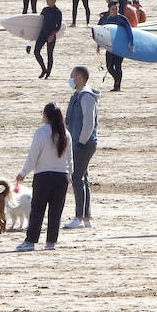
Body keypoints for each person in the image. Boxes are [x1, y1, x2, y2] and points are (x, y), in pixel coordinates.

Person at [14, 103, 75, 251]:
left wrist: (23, 173)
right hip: (61, 177)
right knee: (55, 211)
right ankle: (51, 242)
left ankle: (30, 241)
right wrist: (70, 175)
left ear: (46, 115)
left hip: (43, 176)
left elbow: (33, 157)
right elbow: (70, 159)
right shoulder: (66, 134)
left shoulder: (41, 133)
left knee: (37, 210)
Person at [63, 67, 100, 229]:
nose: (70, 79)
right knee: (82, 178)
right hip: (78, 142)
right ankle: (86, 218)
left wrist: (80, 142)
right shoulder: (77, 96)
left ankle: (79, 217)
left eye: (72, 76)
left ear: (78, 77)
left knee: (77, 178)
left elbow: (89, 123)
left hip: (83, 144)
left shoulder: (86, 97)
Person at [97, 0, 134, 92]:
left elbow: (129, 31)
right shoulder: (105, 19)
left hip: (120, 46)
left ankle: (117, 86)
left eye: (116, 9)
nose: (114, 11)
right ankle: (117, 79)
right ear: (109, 9)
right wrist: (98, 45)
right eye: (112, 9)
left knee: (118, 66)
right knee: (109, 67)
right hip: (109, 46)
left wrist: (131, 43)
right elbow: (100, 32)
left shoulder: (122, 19)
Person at [35, 0, 63, 78]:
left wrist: (52, 34)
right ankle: (44, 69)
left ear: (54, 0)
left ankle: (48, 73)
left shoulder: (57, 12)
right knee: (36, 52)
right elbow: (38, 22)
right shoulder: (45, 10)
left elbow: (59, 26)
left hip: (51, 34)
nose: (47, 1)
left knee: (49, 54)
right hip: (43, 33)